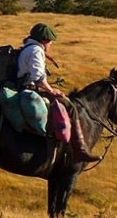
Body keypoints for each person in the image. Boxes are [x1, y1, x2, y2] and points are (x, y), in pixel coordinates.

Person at [17, 23, 100, 164]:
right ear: (45, 40)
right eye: (50, 41)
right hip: (30, 88)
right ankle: (80, 150)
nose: (51, 44)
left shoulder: (27, 48)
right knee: (69, 106)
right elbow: (37, 76)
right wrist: (50, 90)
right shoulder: (36, 50)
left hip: (24, 87)